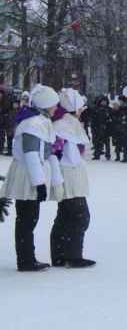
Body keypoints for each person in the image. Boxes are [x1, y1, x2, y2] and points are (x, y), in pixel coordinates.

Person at [0, 85, 63, 271]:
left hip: (30, 175)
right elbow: (31, 155)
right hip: (27, 177)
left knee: (28, 218)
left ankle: (27, 257)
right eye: (53, 105)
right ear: (45, 105)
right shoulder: (33, 124)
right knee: (27, 219)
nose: (55, 109)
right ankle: (26, 259)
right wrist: (39, 184)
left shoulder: (38, 121)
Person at [49, 88, 95, 268]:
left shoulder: (59, 122)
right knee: (79, 216)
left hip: (64, 172)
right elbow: (71, 150)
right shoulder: (68, 124)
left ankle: (59, 255)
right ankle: (73, 255)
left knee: (64, 215)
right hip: (69, 174)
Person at [91, 96, 113, 160]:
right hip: (97, 128)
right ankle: (97, 155)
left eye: (105, 101)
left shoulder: (109, 109)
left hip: (106, 129)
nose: (103, 102)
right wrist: (94, 128)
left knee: (107, 144)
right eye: (102, 101)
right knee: (97, 143)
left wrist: (110, 128)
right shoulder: (96, 109)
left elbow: (111, 119)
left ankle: (108, 155)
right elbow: (93, 119)